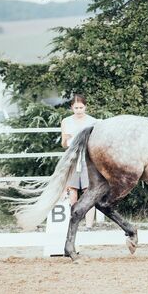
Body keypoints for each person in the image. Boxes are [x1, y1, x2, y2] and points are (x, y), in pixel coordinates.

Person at [61, 94, 97, 230]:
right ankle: (73, 221)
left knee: (89, 190)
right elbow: (64, 144)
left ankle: (88, 225)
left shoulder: (93, 121)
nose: (79, 110)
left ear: (85, 107)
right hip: (73, 156)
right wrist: (67, 138)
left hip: (88, 157)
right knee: (72, 190)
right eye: (76, 107)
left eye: (81, 107)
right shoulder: (66, 121)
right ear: (72, 108)